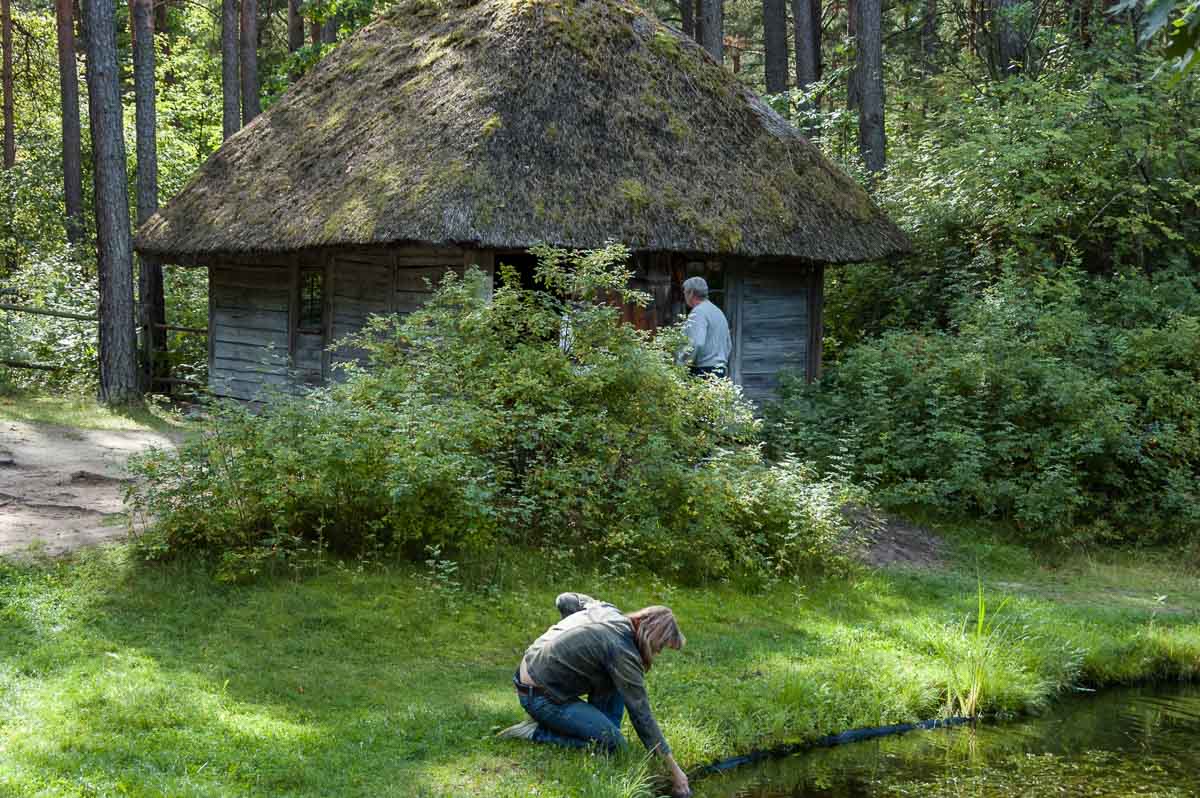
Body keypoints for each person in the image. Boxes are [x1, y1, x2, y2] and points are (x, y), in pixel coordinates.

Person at [499, 592, 692, 798]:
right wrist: (676, 772)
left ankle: (600, 734)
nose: (658, 652)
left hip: (529, 670)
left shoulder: (607, 610)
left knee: (614, 701)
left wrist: (570, 642)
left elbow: (565, 600)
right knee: (613, 745)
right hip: (539, 696)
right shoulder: (622, 651)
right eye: (660, 646)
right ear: (652, 635)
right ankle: (535, 732)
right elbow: (641, 715)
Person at [680, 276, 731, 378]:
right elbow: (729, 344)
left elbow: (696, 343)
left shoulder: (699, 312)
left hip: (703, 371)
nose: (684, 295)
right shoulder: (717, 311)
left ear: (691, 293)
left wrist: (682, 365)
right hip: (720, 370)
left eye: (685, 292)